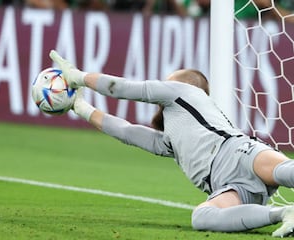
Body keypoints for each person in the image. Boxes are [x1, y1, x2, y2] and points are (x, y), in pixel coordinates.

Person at [48, 50, 294, 237]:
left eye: (169, 81)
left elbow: (122, 88)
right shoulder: (173, 141)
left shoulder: (183, 92)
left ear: (185, 85)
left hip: (237, 152)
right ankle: (284, 213)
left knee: (284, 172)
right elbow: (127, 132)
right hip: (229, 186)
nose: (163, 86)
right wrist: (81, 108)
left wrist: (78, 77)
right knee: (202, 217)